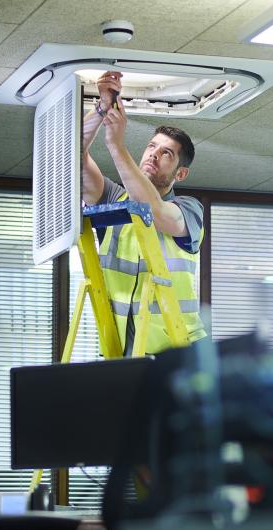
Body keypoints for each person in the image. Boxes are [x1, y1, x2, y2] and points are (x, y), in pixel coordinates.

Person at [82, 71, 206, 355]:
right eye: (151, 146)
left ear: (181, 173)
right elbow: (72, 154)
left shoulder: (189, 210)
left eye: (166, 154)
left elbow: (152, 211)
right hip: (124, 351)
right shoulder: (113, 199)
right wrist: (101, 108)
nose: (153, 154)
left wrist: (115, 145)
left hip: (180, 352)